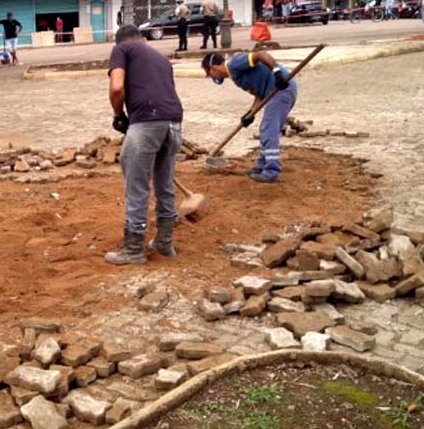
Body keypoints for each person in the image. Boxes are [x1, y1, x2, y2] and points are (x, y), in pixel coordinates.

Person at [105, 24, 184, 265]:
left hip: (147, 122)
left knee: (137, 186)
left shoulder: (122, 49)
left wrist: (118, 114)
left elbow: (117, 87)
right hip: (174, 122)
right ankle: (164, 242)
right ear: (143, 40)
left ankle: (133, 249)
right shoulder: (160, 57)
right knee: (164, 184)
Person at [202, 50, 297, 183]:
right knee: (266, 129)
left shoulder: (234, 64)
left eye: (208, 73)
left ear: (213, 68)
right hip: (275, 91)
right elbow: (259, 94)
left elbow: (261, 54)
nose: (210, 76)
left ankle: (271, 172)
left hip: (281, 88)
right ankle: (261, 166)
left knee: (268, 129)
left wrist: (277, 72)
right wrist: (250, 113)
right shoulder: (236, 76)